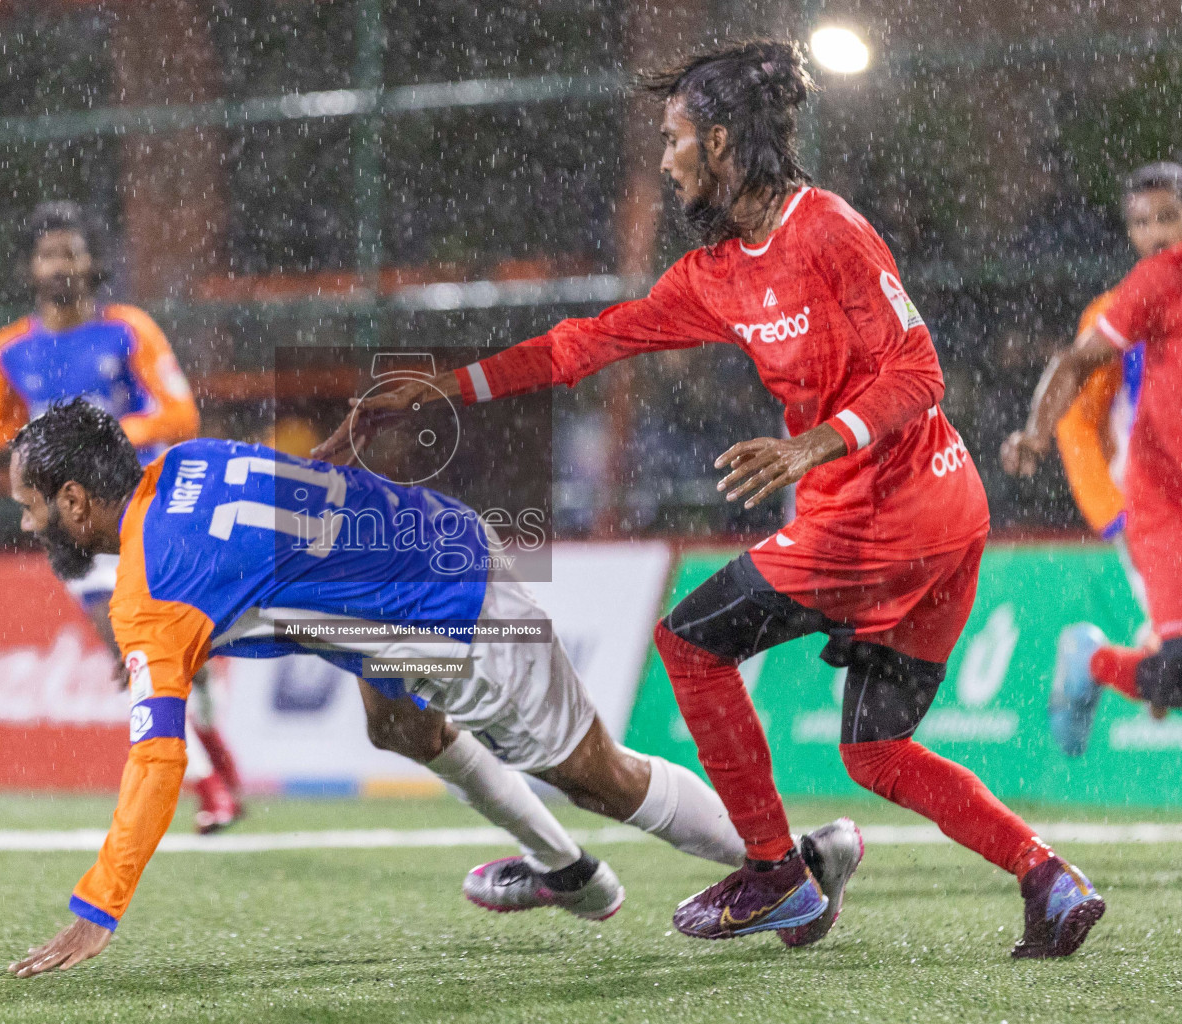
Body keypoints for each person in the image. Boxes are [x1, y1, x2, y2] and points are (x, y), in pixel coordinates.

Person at [317, 40, 1105, 958]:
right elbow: (586, 343)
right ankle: (1048, 878)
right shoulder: (713, 276)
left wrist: (811, 444)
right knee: (874, 754)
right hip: (936, 518)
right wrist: (446, 388)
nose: (663, 158)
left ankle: (775, 873)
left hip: (885, 519)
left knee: (688, 644)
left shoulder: (830, 231)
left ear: (721, 143)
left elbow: (918, 371)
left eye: (673, 138)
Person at [1, 401, 861, 977]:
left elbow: (156, 759)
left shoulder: (149, 592)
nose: (27, 522)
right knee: (400, 727)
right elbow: (276, 517)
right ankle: (565, 871)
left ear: (76, 500)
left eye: (32, 505)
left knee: (595, 773)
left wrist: (98, 906)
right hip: (422, 545)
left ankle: (789, 864)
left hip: (448, 607)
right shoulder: (187, 463)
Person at [0, 200, 242, 832]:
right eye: (49, 254)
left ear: (92, 262)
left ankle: (222, 773)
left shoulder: (128, 331)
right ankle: (212, 789)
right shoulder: (11, 350)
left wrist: (96, 436)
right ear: (30, 268)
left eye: (71, 252)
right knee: (127, 645)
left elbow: (181, 417)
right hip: (72, 525)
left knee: (183, 661)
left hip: (144, 512)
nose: (60, 264)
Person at [1003, 165, 1182, 744]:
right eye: (1141, 223)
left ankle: (1149, 670)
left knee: (1173, 673)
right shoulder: (1144, 292)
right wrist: (1036, 435)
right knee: (1176, 670)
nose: (1155, 234)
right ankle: (1106, 662)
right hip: (1159, 501)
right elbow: (1077, 387)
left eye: (1167, 218)